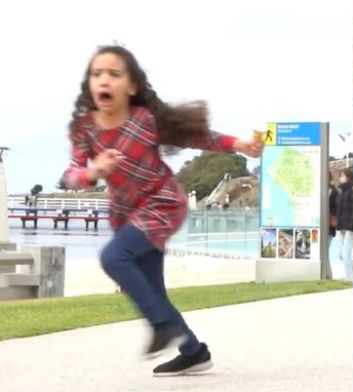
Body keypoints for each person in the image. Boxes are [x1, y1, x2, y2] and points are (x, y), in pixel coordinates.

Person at [60, 45, 264, 376]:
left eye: (114, 73)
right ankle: (194, 351)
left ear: (131, 86)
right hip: (126, 215)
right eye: (97, 74)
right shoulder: (85, 129)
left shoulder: (145, 120)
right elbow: (70, 176)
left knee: (113, 258)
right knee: (153, 290)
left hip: (163, 203)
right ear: (89, 84)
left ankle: (161, 326)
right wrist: (92, 172)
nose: (104, 80)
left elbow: (199, 137)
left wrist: (238, 144)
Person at [334, 168, 353, 280]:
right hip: (341, 226)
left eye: (343, 175)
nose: (341, 178)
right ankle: (350, 274)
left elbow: (352, 210)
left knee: (346, 253)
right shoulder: (342, 192)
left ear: (349, 177)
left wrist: (351, 228)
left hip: (349, 227)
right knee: (341, 254)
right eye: (340, 175)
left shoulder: (351, 190)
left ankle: (349, 278)